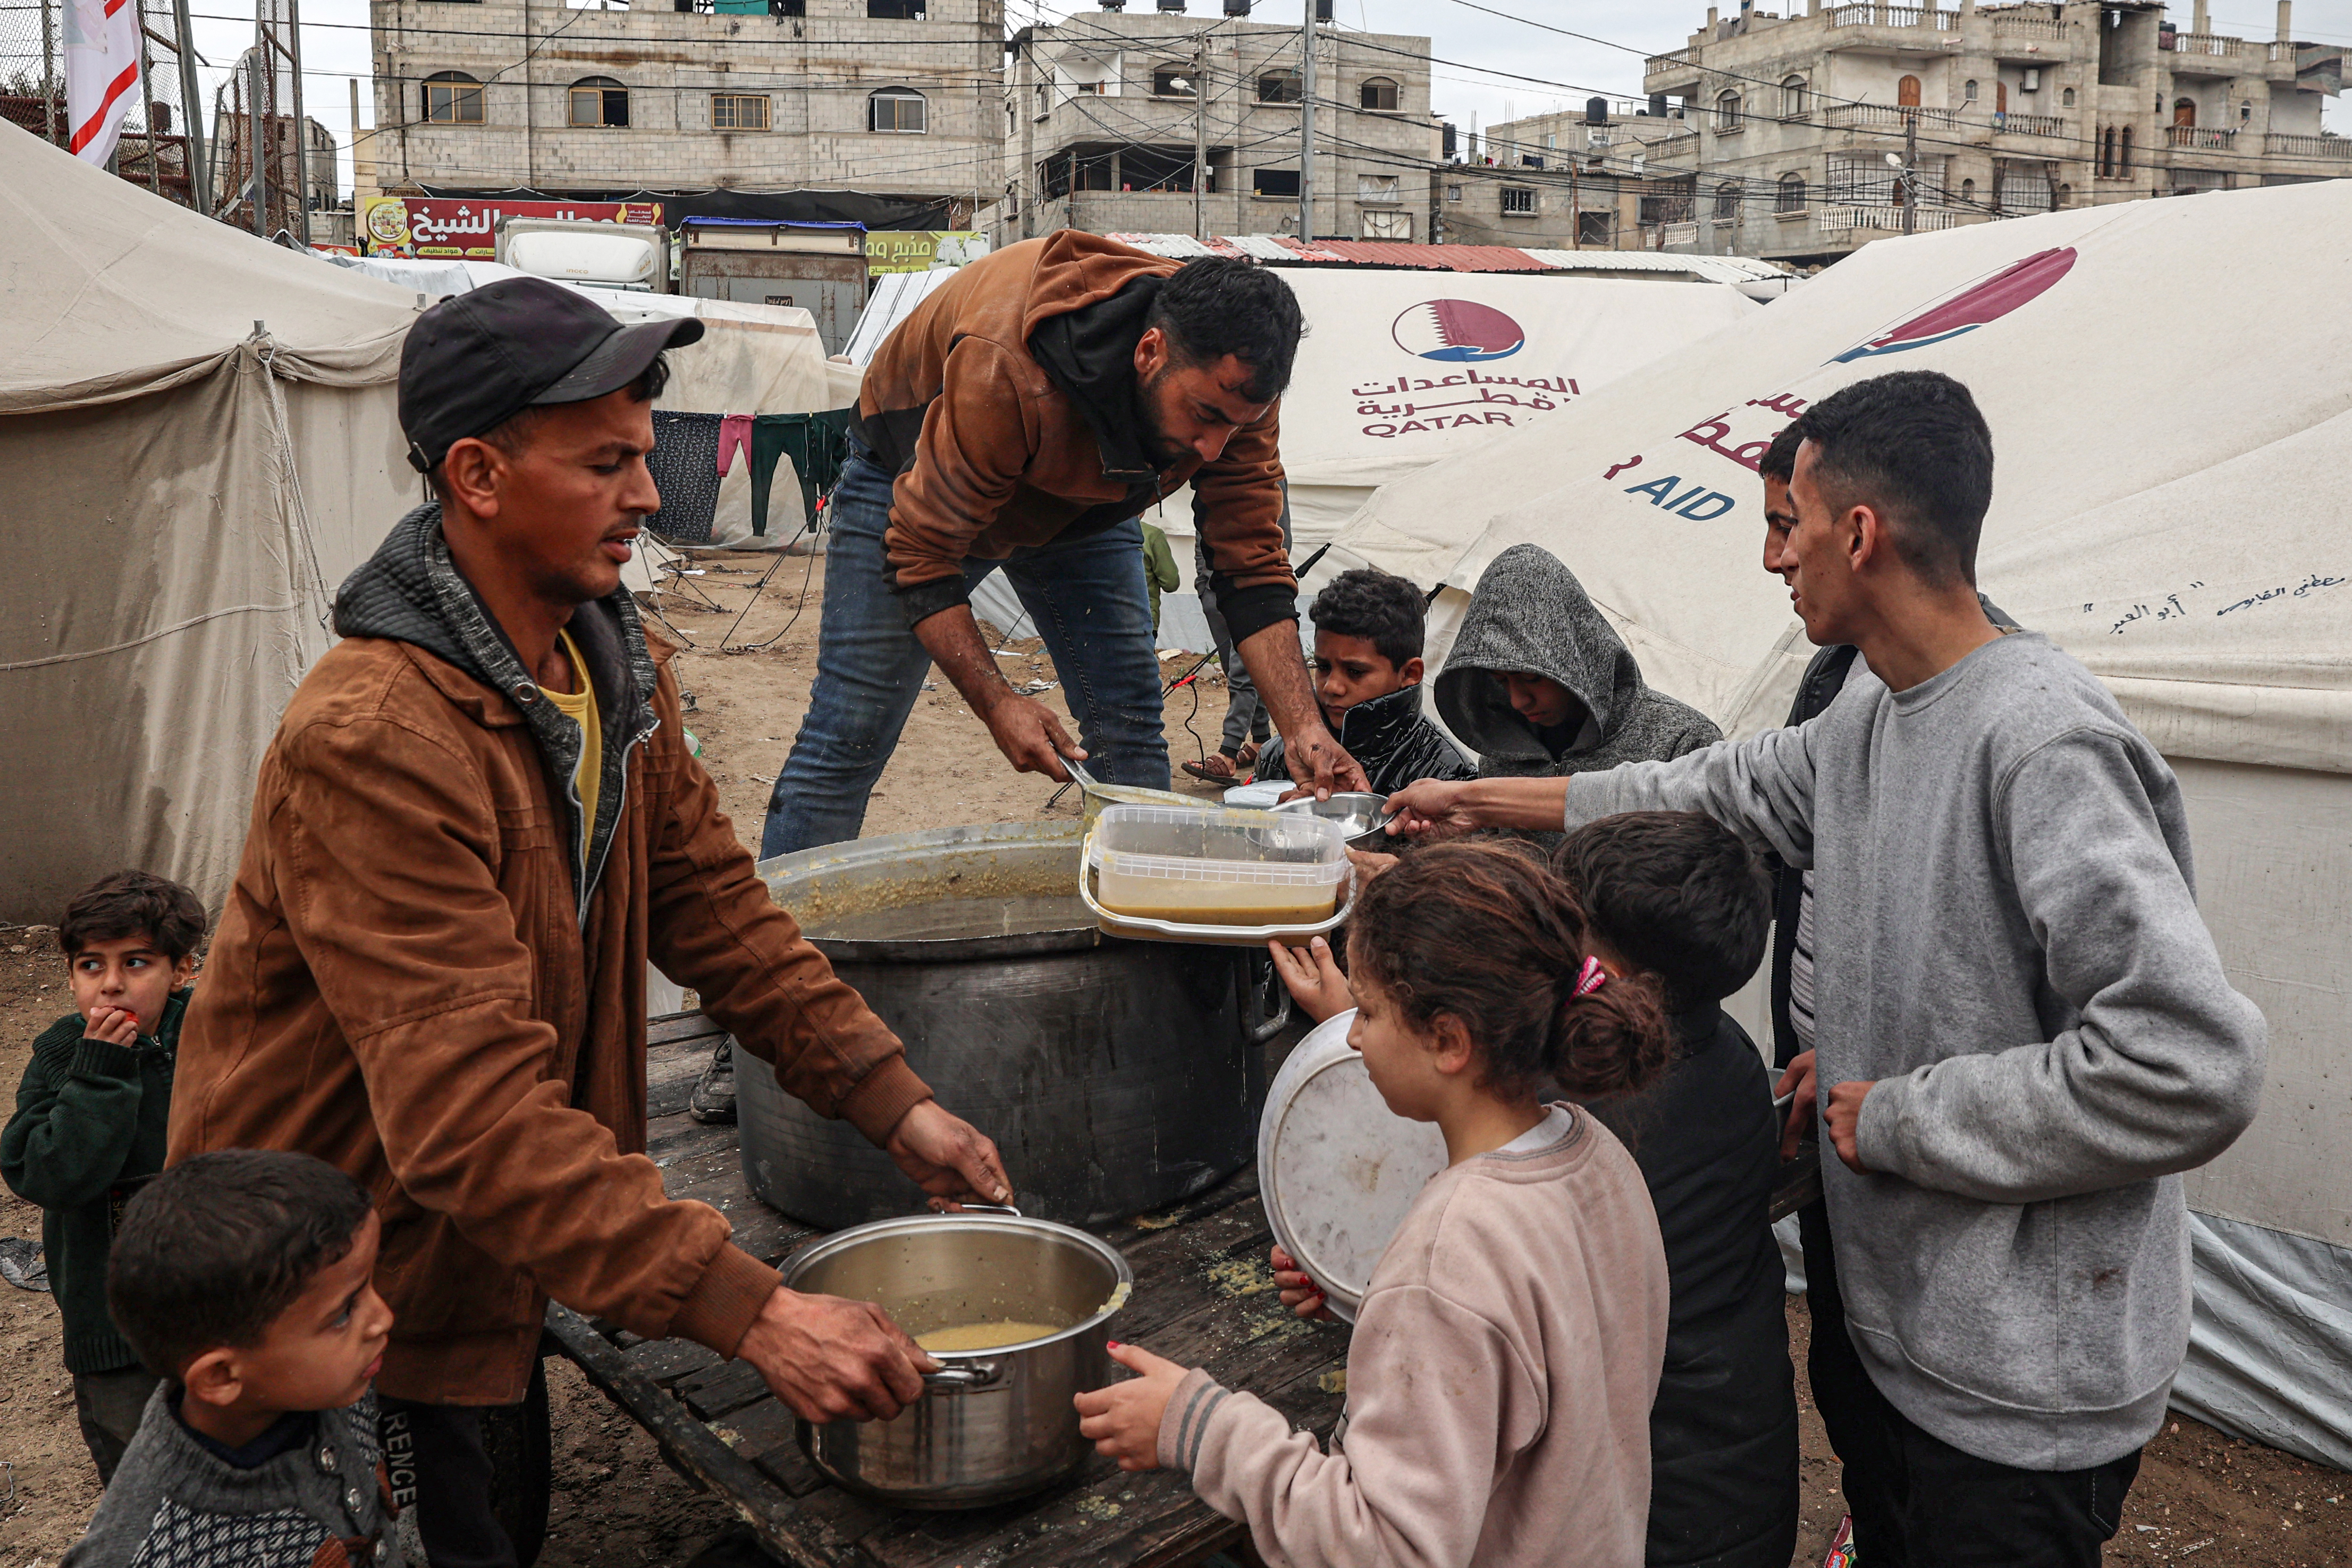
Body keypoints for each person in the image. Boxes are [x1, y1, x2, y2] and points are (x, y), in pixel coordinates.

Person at [171, 278, 1013, 1568]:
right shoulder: (375, 736)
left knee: (497, 1489)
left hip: (481, 1232)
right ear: (478, 475)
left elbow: (714, 904)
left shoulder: (607, 659)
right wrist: (756, 1312)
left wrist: (893, 1100)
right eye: (608, 461)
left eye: (645, 456)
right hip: (334, 1272)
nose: (651, 496)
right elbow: (469, 1117)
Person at [1386, 370, 2266, 1566]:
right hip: (1895, 1321)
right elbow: (1703, 785)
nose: (1772, 557)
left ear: (1858, 533)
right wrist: (1473, 799)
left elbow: (2187, 1064)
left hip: (2018, 1386)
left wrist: (1897, 1109)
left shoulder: (2042, 741)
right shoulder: (1870, 708)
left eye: (1785, 523)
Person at [1075, 844, 1673, 1568]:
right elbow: (1539, 1362)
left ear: (1448, 1040)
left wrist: (1200, 1426)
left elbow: (1386, 1547)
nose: (1351, 1034)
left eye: (1367, 1010)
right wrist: (1367, 1314)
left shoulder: (1449, 1255)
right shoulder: (1601, 1156)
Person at [760, 235, 1368, 862]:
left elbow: (1252, 568)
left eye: (1234, 427)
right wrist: (998, 700)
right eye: (1203, 416)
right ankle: (776, 952)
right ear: (1149, 352)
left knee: (1129, 726)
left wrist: (1304, 728)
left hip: (1088, 505)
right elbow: (923, 556)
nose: (1212, 449)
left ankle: (1138, 935)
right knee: (850, 733)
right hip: (914, 479)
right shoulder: (1008, 368)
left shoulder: (1236, 386)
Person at [1553, 813, 1799, 1568]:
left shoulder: (1595, 1117)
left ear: (1620, 979)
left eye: (1568, 931)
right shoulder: (1725, 1052)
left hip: (1655, 1504)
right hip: (1741, 1465)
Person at [64, 1150, 400, 1568]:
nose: (383, 1318)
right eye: (344, 1313)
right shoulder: (149, 1551)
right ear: (221, 1376)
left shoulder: (335, 1384)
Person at [2, 872, 205, 1487]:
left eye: (136, 961)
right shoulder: (64, 1055)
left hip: (223, 1313)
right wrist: (102, 1070)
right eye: (91, 964)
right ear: (70, 975)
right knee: (145, 1487)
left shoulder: (211, 1039)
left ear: (182, 969)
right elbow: (50, 1173)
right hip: (114, 1338)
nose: (111, 982)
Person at [1434, 543, 1719, 779]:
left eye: (1532, 678)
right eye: (1501, 682)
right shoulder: (1502, 755)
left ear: (1578, 655)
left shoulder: (1682, 744)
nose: (1518, 701)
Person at [1251, 567, 1473, 795]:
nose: (1332, 687)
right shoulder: (1280, 755)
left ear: (1409, 674)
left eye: (1355, 672)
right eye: (1323, 667)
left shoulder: (1447, 777)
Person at [1181, 493, 1290, 784]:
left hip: (1251, 589)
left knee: (1245, 670)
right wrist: (1204, 587)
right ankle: (1260, 741)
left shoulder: (1262, 475)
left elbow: (1280, 536)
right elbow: (1200, 535)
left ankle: (1228, 754)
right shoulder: (1205, 476)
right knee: (1234, 670)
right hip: (1215, 592)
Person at [1140, 519, 1181, 635]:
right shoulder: (1152, 535)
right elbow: (1171, 583)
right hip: (1143, 619)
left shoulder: (1095, 530)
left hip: (1098, 619)